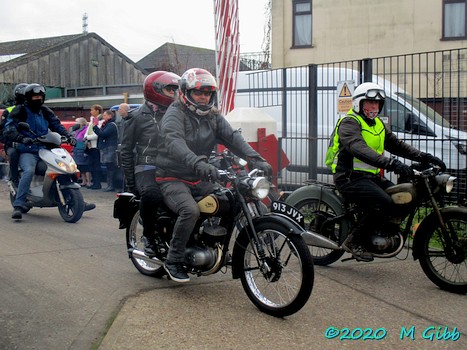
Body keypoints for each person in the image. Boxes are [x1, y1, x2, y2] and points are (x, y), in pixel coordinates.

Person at [155, 68, 272, 282]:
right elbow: (174, 142)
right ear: (185, 93)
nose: (203, 97)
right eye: (198, 92)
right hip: (173, 177)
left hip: (200, 177)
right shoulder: (175, 113)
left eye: (208, 93)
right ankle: (173, 260)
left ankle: (211, 244)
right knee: (190, 211)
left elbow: (232, 138)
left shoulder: (212, 116)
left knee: (229, 200)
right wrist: (198, 162)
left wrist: (256, 159)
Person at [326, 82, 446, 262]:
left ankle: (381, 232)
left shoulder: (378, 124)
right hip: (349, 178)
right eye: (369, 103)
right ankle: (354, 241)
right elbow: (359, 148)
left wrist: (424, 157)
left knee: (403, 196)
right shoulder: (349, 122)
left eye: (377, 104)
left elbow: (397, 145)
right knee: (383, 202)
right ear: (359, 103)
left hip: (370, 177)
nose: (374, 107)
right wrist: (392, 164)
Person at [121, 71, 180, 256]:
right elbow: (126, 151)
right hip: (146, 166)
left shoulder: (177, 114)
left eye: (176, 90)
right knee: (152, 194)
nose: (175, 94)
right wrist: (132, 183)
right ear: (155, 90)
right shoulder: (136, 117)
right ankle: (149, 236)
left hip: (171, 166)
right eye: (170, 90)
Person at [3, 83, 77, 219]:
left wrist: (69, 136)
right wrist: (21, 138)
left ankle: (78, 201)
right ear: (28, 97)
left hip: (45, 149)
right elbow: (9, 128)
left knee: (62, 167)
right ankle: (19, 204)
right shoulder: (20, 110)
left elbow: (56, 125)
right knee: (29, 171)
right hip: (28, 150)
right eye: (35, 96)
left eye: (40, 96)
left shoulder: (45, 111)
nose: (38, 99)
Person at [1, 83, 29, 186]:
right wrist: (8, 141)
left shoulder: (35, 110)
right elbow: (2, 130)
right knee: (13, 154)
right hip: (14, 143)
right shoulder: (9, 111)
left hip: (32, 142)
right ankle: (14, 178)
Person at [93, 109, 119, 192]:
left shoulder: (111, 125)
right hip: (107, 147)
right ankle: (109, 185)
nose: (103, 117)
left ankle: (111, 185)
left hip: (110, 148)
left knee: (110, 167)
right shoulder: (107, 124)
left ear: (110, 116)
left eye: (104, 115)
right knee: (108, 167)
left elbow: (103, 134)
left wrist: (95, 127)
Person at [85, 104, 103, 189]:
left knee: (96, 165)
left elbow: (97, 134)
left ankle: (97, 183)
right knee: (91, 165)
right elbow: (88, 131)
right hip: (90, 145)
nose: (90, 112)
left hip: (96, 146)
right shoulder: (92, 120)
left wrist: (87, 137)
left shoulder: (99, 120)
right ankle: (93, 182)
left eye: (92, 110)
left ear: (97, 111)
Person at [72, 117, 92, 187]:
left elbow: (85, 139)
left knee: (86, 167)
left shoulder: (86, 129)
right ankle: (83, 181)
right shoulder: (77, 131)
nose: (75, 124)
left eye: (77, 122)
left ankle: (88, 181)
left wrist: (83, 149)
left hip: (83, 150)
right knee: (81, 167)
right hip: (77, 150)